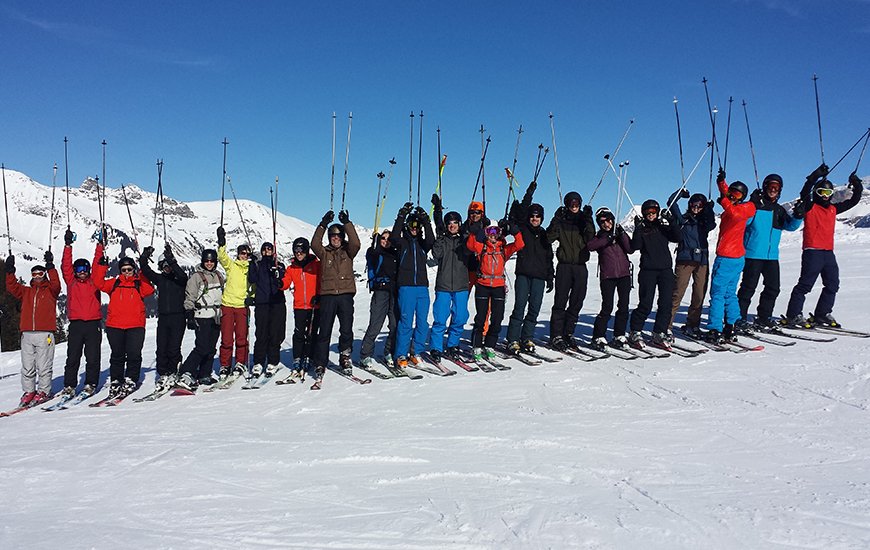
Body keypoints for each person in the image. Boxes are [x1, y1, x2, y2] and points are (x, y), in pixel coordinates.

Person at [783, 166, 863, 328]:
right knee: (805, 285)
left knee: (832, 284)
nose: (825, 197)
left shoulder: (833, 209)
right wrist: (813, 177)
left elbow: (853, 201)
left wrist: (857, 186)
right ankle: (793, 315)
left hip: (828, 253)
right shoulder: (810, 207)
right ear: (816, 193)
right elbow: (804, 194)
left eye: (828, 193)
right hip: (812, 252)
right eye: (822, 193)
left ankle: (822, 314)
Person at [737, 174, 802, 331]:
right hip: (753, 254)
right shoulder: (754, 207)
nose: (773, 190)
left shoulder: (779, 210)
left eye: (776, 188)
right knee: (748, 288)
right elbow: (742, 221)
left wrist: (799, 215)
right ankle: (738, 318)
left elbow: (790, 226)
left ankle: (764, 317)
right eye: (770, 187)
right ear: (765, 187)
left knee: (773, 288)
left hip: (771, 256)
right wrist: (752, 204)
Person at [704, 170, 757, 343]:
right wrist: (721, 183)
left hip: (727, 257)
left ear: (743, 196)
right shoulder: (738, 205)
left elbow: (733, 212)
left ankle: (715, 329)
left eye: (737, 194)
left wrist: (725, 200)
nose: (733, 196)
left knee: (718, 294)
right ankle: (730, 327)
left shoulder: (744, 208)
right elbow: (727, 196)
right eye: (731, 194)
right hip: (737, 258)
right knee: (729, 294)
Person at [93, 255, 155, 398]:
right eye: (124, 269)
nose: (127, 272)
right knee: (117, 355)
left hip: (135, 326)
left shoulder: (139, 284)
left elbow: (150, 290)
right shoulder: (114, 283)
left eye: (130, 269)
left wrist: (142, 273)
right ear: (120, 271)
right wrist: (102, 267)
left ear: (134, 269)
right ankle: (116, 379)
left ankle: (131, 379)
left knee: (134, 354)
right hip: (115, 326)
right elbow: (98, 283)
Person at [5, 251, 61, 407]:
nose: (37, 276)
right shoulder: (26, 291)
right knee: (27, 365)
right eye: (34, 274)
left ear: (44, 275)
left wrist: (51, 267)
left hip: (45, 333)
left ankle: (44, 391)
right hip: (27, 333)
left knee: (44, 365)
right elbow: (12, 287)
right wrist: (10, 271)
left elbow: (56, 284)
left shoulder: (50, 290)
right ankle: (29, 391)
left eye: (40, 273)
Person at [505, 181, 554, 356]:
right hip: (524, 275)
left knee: (534, 308)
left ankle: (527, 338)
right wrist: (529, 194)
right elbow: (521, 213)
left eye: (538, 216)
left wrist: (550, 276)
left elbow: (549, 257)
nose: (534, 218)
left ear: (542, 218)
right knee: (519, 307)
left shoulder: (544, 234)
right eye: (532, 216)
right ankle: (512, 340)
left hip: (540, 277)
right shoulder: (523, 229)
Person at [310, 209, 360, 377]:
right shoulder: (324, 253)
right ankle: (320, 362)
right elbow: (314, 244)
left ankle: (345, 356)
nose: (336, 238)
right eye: (333, 236)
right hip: (328, 296)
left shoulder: (349, 251)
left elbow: (356, 243)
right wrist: (323, 224)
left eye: (338, 236)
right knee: (324, 331)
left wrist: (347, 224)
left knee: (346, 329)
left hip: (345, 295)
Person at [466, 218, 525, 361]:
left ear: (499, 233)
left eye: (496, 231)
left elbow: (520, 244)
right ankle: (477, 346)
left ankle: (490, 345)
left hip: (498, 286)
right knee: (481, 317)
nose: (492, 235)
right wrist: (475, 231)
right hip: (483, 285)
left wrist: (514, 230)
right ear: (486, 233)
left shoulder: (504, 249)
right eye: (490, 231)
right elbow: (471, 245)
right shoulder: (482, 247)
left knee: (497, 318)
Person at [546, 191, 595, 350]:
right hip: (565, 266)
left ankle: (568, 333)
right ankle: (556, 335)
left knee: (577, 301)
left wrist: (588, 219)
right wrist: (556, 219)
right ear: (567, 204)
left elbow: (590, 239)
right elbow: (548, 238)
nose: (574, 207)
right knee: (560, 302)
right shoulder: (562, 220)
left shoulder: (583, 220)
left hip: (581, 266)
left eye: (577, 204)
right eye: (571, 204)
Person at [628, 199, 681, 348]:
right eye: (647, 212)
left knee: (665, 303)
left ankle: (659, 332)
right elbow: (635, 246)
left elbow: (678, 237)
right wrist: (638, 229)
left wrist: (671, 220)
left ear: (657, 213)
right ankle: (635, 331)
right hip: (648, 271)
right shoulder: (642, 228)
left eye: (653, 212)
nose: (651, 215)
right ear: (644, 214)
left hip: (665, 270)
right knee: (646, 303)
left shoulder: (662, 226)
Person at [667, 189, 717, 339]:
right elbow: (671, 202)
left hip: (702, 261)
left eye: (699, 206)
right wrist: (680, 193)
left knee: (699, 294)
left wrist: (708, 209)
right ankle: (666, 325)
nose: (696, 208)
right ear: (689, 205)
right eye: (693, 205)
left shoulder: (704, 223)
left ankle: (693, 324)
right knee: (677, 293)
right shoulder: (683, 220)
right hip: (685, 260)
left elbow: (712, 223)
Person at [60, 228, 103, 398]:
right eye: (78, 269)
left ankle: (91, 383)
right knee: (73, 358)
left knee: (92, 357)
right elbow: (65, 265)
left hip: (93, 324)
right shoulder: (71, 282)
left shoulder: (94, 282)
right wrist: (68, 245)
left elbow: (99, 264)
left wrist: (100, 245)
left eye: (85, 268)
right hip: (76, 324)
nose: (82, 271)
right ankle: (69, 386)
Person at [391, 203, 435, 368]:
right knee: (406, 322)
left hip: (422, 288)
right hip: (407, 287)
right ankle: (401, 354)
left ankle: (416, 351)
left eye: (417, 226)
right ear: (407, 227)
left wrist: (426, 220)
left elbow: (431, 239)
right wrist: (402, 215)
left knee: (423, 323)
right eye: (412, 225)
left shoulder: (423, 244)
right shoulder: (402, 243)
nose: (414, 229)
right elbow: (394, 237)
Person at [140, 244, 189, 391]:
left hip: (178, 318)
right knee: (161, 347)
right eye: (164, 266)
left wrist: (171, 259)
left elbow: (183, 275)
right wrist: (144, 257)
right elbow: (146, 271)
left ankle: (174, 370)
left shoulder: (179, 280)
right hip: (163, 318)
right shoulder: (160, 279)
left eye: (169, 266)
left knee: (174, 347)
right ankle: (163, 373)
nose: (167, 268)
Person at [430, 194, 472, 363]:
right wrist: (439, 238)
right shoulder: (443, 240)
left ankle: (453, 345)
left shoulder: (465, 241)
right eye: (450, 223)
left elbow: (471, 251)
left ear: (459, 224)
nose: (452, 226)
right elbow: (436, 254)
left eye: (455, 223)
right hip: (444, 285)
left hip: (461, 285)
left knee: (460, 317)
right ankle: (436, 347)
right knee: (440, 318)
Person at [176, 249, 225, 390]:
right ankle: (186, 371)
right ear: (203, 261)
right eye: (206, 261)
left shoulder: (219, 276)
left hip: (216, 315)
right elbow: (190, 296)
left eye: (212, 261)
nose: (209, 263)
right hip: (202, 315)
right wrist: (189, 314)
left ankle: (204, 374)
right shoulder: (196, 277)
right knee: (202, 346)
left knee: (211, 348)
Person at [587, 207, 633, 351]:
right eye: (602, 222)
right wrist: (607, 239)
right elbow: (591, 246)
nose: (606, 224)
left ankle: (619, 334)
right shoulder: (599, 236)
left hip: (624, 275)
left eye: (608, 220)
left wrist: (622, 234)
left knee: (624, 306)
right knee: (607, 306)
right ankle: (598, 336)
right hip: (608, 276)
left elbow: (630, 249)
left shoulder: (619, 233)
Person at [216, 226, 254, 377]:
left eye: (246, 254)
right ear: (238, 254)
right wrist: (221, 242)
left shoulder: (251, 268)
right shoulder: (232, 266)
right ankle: (225, 365)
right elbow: (222, 257)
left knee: (241, 337)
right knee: (226, 338)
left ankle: (240, 362)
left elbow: (254, 286)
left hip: (242, 306)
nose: (244, 256)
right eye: (241, 253)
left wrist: (252, 296)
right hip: (227, 305)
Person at [359, 229, 398, 369]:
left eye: (389, 239)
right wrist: (375, 242)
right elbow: (372, 254)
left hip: (394, 291)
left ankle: (389, 351)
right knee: (375, 324)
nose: (386, 241)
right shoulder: (375, 252)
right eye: (383, 238)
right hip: (381, 291)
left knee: (394, 325)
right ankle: (365, 354)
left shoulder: (395, 252)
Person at [282, 237, 320, 377]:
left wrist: (319, 294)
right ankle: (297, 357)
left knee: (311, 334)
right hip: (299, 306)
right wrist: (280, 283)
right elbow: (286, 282)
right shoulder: (292, 268)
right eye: (296, 251)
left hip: (314, 305)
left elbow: (322, 280)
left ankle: (310, 356)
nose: (299, 253)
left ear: (306, 250)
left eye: (301, 250)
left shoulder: (315, 265)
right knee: (299, 334)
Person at [248, 242, 287, 377]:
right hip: (262, 303)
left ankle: (273, 361)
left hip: (276, 302)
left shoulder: (279, 264)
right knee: (261, 333)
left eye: (269, 249)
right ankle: (258, 361)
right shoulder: (258, 265)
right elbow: (252, 278)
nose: (267, 251)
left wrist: (277, 272)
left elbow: (284, 279)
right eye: (264, 249)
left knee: (275, 333)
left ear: (273, 251)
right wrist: (252, 263)